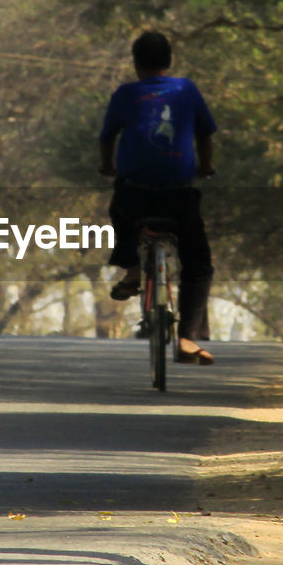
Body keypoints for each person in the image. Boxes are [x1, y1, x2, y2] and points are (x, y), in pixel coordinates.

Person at [99, 31, 217, 364]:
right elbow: (205, 133)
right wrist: (206, 166)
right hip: (178, 195)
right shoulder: (186, 89)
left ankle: (133, 267)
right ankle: (187, 338)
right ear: (169, 61)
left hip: (134, 192)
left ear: (135, 64)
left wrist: (107, 166)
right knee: (198, 265)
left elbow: (107, 137)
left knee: (119, 210)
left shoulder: (125, 94)